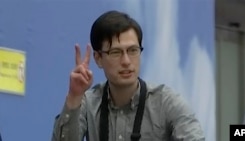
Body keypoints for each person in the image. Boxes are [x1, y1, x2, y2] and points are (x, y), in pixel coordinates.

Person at [51, 10, 205, 141]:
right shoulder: (89, 103)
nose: (126, 61)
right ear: (98, 58)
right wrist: (74, 97)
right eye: (116, 52)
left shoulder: (167, 103)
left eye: (133, 50)